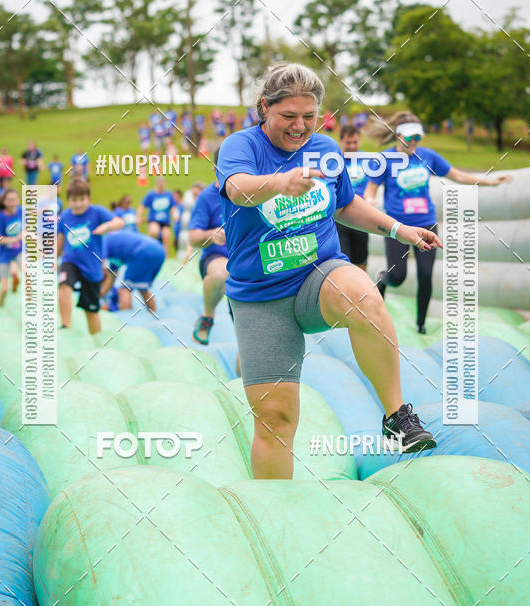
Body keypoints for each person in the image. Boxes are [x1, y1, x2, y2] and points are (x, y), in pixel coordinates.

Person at [218, 63, 441, 480]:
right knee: (276, 419)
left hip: (317, 274)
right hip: (260, 297)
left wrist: (398, 228)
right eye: (288, 116)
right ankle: (275, 515)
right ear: (264, 108)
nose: (300, 127)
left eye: (310, 116)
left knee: (364, 296)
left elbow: (345, 205)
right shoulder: (240, 145)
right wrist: (279, 183)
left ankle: (396, 417)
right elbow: (237, 188)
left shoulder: (326, 149)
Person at [365, 111, 511, 333]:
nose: (414, 142)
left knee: (425, 274)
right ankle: (383, 280)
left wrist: (490, 182)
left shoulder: (428, 156)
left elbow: (459, 176)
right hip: (397, 227)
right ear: (398, 136)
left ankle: (420, 324)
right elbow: (371, 189)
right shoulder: (385, 159)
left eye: (417, 137)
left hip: (426, 225)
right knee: (397, 276)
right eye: (409, 137)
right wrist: (371, 200)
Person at [57, 179, 124, 334]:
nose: (78, 204)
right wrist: (53, 258)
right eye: (74, 200)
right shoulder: (65, 216)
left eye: (82, 199)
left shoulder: (97, 212)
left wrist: (106, 227)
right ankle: (65, 325)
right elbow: (60, 239)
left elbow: (119, 222)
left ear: (89, 199)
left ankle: (96, 341)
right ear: (69, 201)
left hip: (92, 267)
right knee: (64, 286)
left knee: (91, 310)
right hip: (71, 261)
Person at [189, 151, 229, 344]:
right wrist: (211, 235)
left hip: (246, 261)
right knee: (223, 273)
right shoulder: (207, 197)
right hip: (216, 258)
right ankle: (207, 317)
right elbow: (193, 237)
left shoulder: (251, 194)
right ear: (215, 169)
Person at [335, 124, 373, 272]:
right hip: (339, 217)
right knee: (344, 262)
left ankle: (362, 292)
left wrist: (370, 198)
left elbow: (373, 186)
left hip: (361, 216)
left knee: (361, 260)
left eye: (355, 142)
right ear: (341, 141)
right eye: (348, 142)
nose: (352, 146)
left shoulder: (367, 160)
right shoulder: (333, 161)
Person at [100, 230, 165, 312]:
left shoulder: (102, 242)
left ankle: (126, 319)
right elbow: (110, 279)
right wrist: (98, 296)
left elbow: (100, 268)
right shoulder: (115, 250)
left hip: (144, 251)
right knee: (143, 288)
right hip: (159, 250)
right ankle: (154, 315)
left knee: (124, 288)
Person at [0, 189, 22, 306]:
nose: (12, 203)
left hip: (18, 251)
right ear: (4, 202)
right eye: (9, 200)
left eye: (14, 200)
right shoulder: (0, 217)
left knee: (28, 272)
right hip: (4, 254)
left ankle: (30, 303)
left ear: (18, 200)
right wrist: (15, 239)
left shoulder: (21, 211)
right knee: (4, 289)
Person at [137, 176, 176, 253]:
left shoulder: (168, 194)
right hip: (154, 220)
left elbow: (172, 207)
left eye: (163, 183)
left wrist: (175, 215)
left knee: (167, 236)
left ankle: (165, 257)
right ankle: (147, 249)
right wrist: (138, 217)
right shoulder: (151, 194)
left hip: (165, 222)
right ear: (157, 184)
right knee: (154, 231)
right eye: (160, 183)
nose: (161, 185)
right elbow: (142, 206)